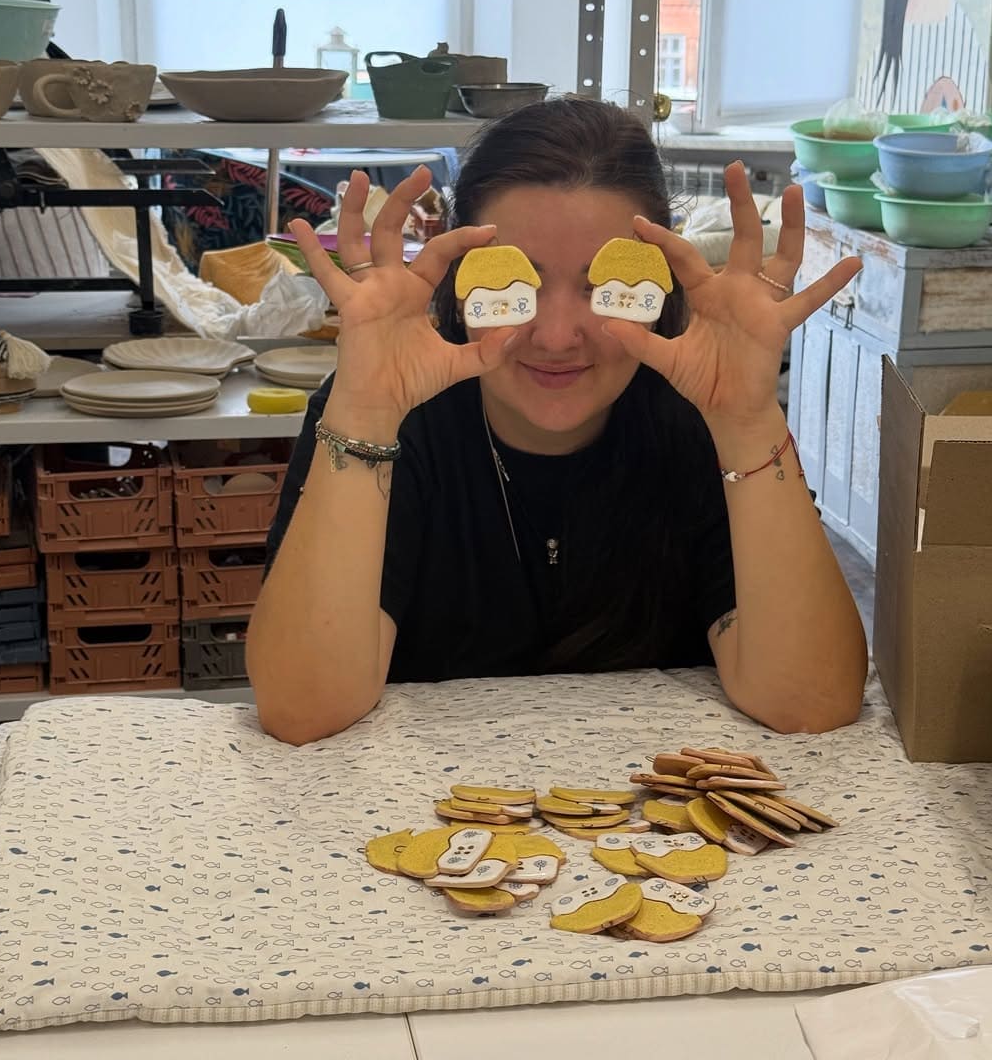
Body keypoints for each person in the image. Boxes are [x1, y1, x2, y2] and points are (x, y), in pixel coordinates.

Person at [248, 99, 868, 747]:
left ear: (660, 288)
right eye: (515, 285)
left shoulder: (699, 419)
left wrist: (747, 421)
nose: (556, 335)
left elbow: (809, 702)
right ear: (457, 282)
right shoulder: (387, 412)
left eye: (606, 287)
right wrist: (366, 410)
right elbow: (303, 709)